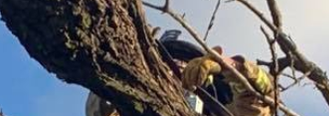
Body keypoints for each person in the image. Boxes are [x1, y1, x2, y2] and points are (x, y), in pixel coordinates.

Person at [84, 30, 273, 116]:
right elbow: (101, 102)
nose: (177, 70)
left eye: (185, 65)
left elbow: (261, 100)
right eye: (169, 64)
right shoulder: (123, 103)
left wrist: (229, 66)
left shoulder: (221, 110)